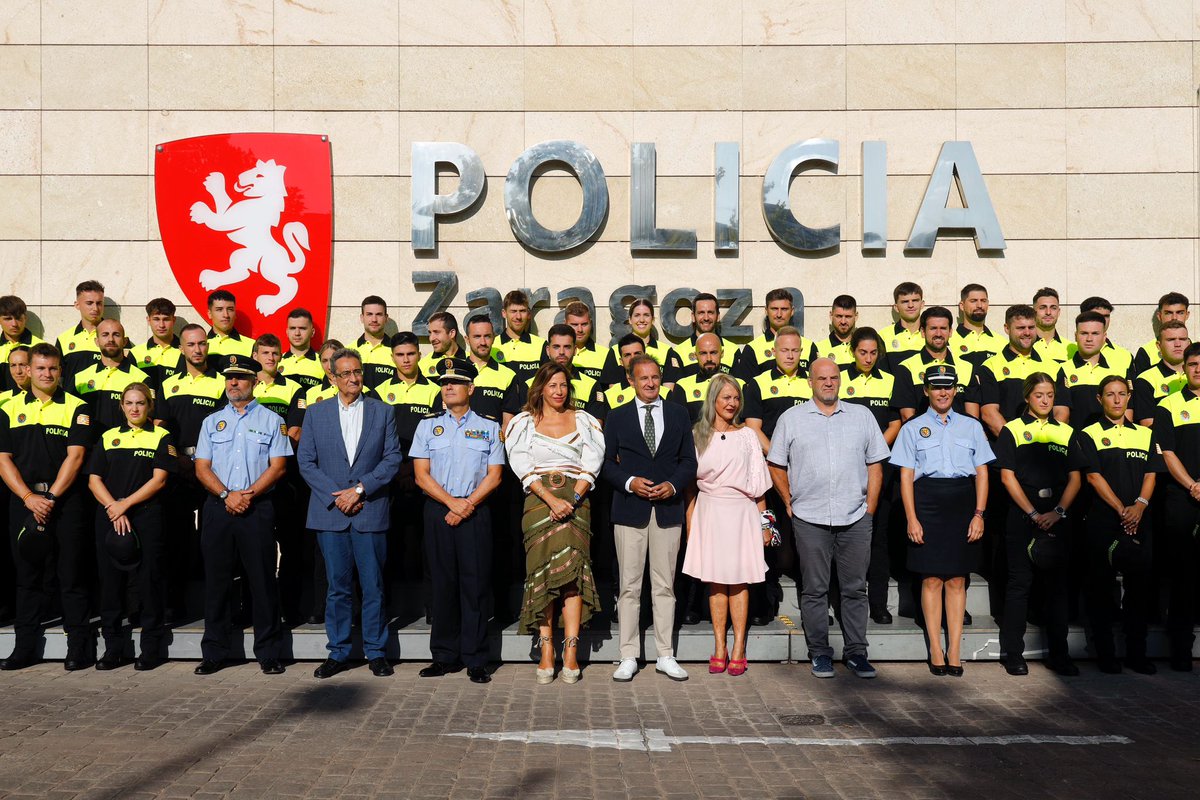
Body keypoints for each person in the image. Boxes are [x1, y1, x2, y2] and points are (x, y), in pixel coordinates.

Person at [767, 358, 889, 680]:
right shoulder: (791, 419)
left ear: (840, 380)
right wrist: (789, 502)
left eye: (833, 377)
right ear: (810, 382)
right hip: (809, 518)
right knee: (814, 590)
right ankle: (820, 652)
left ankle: (857, 653)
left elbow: (876, 464)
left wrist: (870, 509)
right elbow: (776, 464)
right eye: (821, 378)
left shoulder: (862, 416)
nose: (828, 383)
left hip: (855, 517)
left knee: (855, 589)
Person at [297, 348, 402, 679]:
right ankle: (338, 652)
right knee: (337, 587)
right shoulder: (316, 413)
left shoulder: (382, 412)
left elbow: (392, 458)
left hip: (369, 510)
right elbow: (306, 461)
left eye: (357, 372)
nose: (353, 378)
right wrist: (338, 496)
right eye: (345, 373)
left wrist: (359, 490)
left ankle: (376, 651)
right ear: (333, 377)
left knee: (373, 586)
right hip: (330, 513)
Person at [890, 365, 993, 676]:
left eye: (948, 386)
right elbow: (906, 477)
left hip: (962, 504)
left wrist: (979, 514)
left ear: (956, 390)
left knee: (958, 579)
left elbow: (982, 473)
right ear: (926, 391)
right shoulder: (912, 428)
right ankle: (936, 648)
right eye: (936, 387)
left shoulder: (972, 426)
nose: (943, 392)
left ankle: (955, 650)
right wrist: (911, 518)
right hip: (927, 503)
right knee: (932, 579)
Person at [505, 362, 604, 684]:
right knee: (543, 575)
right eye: (552, 386)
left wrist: (571, 499)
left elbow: (592, 461)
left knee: (573, 577)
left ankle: (571, 651)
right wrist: (551, 499)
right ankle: (547, 650)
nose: (559, 391)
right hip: (539, 502)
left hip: (577, 500)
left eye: (563, 385)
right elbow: (520, 463)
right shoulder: (523, 422)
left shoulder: (584, 420)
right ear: (540, 389)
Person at [192, 354, 290, 676]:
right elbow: (202, 467)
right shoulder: (211, 422)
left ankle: (269, 652)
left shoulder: (272, 421)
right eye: (229, 377)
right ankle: (214, 652)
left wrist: (247, 494)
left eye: (241, 377)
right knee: (217, 582)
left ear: (255, 381)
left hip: (256, 507)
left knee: (262, 581)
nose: (233, 383)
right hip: (218, 507)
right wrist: (226, 495)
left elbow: (278, 467)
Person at [603, 354, 697, 682]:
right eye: (643, 378)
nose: (650, 383)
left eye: (655, 377)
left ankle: (665, 655)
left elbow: (689, 461)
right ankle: (628, 655)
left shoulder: (678, 413)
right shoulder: (616, 417)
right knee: (629, 587)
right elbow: (606, 463)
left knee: (665, 586)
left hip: (668, 511)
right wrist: (630, 482)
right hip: (630, 510)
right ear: (631, 380)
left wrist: (673, 485)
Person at [411, 357, 505, 684]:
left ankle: (476, 658)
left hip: (475, 511)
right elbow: (421, 475)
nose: (448, 387)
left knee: (475, 585)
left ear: (471, 388)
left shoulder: (489, 426)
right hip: (439, 510)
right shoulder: (427, 426)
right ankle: (443, 656)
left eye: (455, 382)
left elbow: (495, 476)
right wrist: (452, 503)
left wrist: (466, 504)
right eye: (444, 383)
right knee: (442, 585)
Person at [0, 343, 92, 670]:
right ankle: (24, 648)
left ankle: (78, 647)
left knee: (71, 575)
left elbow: (75, 457)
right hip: (24, 502)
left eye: (53, 368)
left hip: (66, 503)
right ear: (28, 370)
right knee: (27, 577)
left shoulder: (77, 407)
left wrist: (50, 497)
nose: (46, 374)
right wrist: (29, 498)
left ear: (60, 371)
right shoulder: (8, 408)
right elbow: (3, 460)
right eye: (40, 368)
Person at [683, 373, 771, 676]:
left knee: (739, 581)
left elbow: (759, 485)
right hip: (709, 512)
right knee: (715, 582)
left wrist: (766, 525)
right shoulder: (697, 434)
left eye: (736, 398)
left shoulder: (747, 435)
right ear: (713, 400)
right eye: (726, 397)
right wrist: (691, 523)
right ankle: (719, 646)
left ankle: (738, 648)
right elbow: (690, 487)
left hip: (742, 513)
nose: (732, 403)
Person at [994, 373, 1081, 677]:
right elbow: (1007, 477)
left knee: (1057, 588)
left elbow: (1075, 478)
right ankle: (1013, 654)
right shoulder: (1012, 430)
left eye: (1050, 395)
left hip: (1057, 516)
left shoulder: (1066, 432)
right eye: (1039, 395)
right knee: (1019, 585)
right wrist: (1032, 513)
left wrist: (1058, 512)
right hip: (1022, 516)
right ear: (1027, 397)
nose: (1045, 401)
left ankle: (1059, 655)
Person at [86, 383, 176, 670]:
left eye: (140, 403)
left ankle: (150, 648)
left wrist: (125, 505)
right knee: (110, 584)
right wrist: (113, 507)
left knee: (149, 582)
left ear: (149, 406)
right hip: (110, 516)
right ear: (122, 406)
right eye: (129, 403)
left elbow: (159, 480)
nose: (135, 408)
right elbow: (94, 480)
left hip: (145, 516)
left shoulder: (161, 436)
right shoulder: (108, 437)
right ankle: (112, 649)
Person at [1075, 375, 1159, 675]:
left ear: (1128, 397)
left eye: (1122, 394)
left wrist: (1140, 506)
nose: (1116, 399)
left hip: (1140, 520)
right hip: (1104, 521)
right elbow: (1093, 476)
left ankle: (1137, 654)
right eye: (1110, 394)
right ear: (1100, 399)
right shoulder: (1088, 434)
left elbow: (1151, 473)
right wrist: (1122, 510)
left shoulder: (1146, 435)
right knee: (1101, 589)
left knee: (1139, 590)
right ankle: (1106, 654)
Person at [158, 324, 226, 620]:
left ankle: (215, 607)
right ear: (181, 348)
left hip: (212, 469)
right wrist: (179, 461)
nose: (197, 350)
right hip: (179, 471)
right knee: (177, 538)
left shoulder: (222, 383)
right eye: (191, 344)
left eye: (202, 344)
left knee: (213, 539)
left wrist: (201, 461)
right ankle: (176, 606)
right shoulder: (168, 384)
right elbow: (161, 430)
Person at [376, 332, 440, 620]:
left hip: (424, 477)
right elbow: (377, 437)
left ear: (419, 355)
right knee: (390, 543)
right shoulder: (379, 391)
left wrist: (414, 469)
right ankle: (388, 606)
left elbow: (436, 437)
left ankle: (431, 606)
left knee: (428, 546)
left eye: (411, 354)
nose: (405, 359)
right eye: (400, 355)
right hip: (391, 478)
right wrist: (397, 469)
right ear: (392, 358)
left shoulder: (434, 391)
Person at [838, 328, 901, 624]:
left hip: (878, 468)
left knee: (878, 537)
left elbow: (895, 423)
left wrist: (873, 451)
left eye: (873, 353)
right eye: (863, 352)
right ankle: (841, 601)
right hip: (845, 468)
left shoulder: (889, 380)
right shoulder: (839, 378)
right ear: (852, 351)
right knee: (842, 537)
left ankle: (878, 604)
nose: (868, 358)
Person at [1152, 341, 1200, 671]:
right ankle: (1181, 649)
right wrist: (1193, 486)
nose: (1198, 370)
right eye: (1193, 364)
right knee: (1183, 574)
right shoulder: (1168, 404)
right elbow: (1167, 453)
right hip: (1182, 498)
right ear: (1184, 368)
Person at [978, 305, 1069, 438]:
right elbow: (989, 414)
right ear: (1007, 328)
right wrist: (1016, 442)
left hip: (1046, 444)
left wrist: (1047, 440)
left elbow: (1062, 412)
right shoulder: (990, 366)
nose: (1027, 333)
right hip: (1008, 446)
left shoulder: (1054, 367)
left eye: (1031, 327)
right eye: (1021, 328)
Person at [892, 306, 980, 422]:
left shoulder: (967, 367)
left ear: (950, 332)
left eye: (943, 328)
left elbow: (973, 419)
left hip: (960, 433)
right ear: (923, 332)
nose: (938, 333)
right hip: (923, 432)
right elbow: (907, 417)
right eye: (933, 328)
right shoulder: (907, 367)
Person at [72, 319, 154, 434]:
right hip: (89, 444)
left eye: (116, 335)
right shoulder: (80, 378)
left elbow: (148, 418)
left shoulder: (141, 379)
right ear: (96, 341)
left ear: (125, 341)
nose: (111, 339)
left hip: (125, 443)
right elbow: (71, 416)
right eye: (105, 335)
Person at [1058, 311, 1134, 428]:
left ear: (1104, 337)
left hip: (1113, 438)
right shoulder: (1064, 369)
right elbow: (1061, 415)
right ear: (1075, 336)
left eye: (1095, 333)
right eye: (1084, 333)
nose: (1089, 339)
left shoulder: (1120, 370)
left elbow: (1127, 414)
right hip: (1077, 438)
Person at [733, 288, 817, 380]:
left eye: (784, 309)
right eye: (774, 309)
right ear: (766, 310)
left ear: (792, 311)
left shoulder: (809, 347)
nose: (779, 314)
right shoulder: (752, 349)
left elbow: (817, 382)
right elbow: (747, 386)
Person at [599, 297, 683, 390]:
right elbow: (613, 392)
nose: (642, 320)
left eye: (646, 315)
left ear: (652, 319)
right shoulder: (615, 351)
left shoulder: (666, 351)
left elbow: (668, 392)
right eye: (637, 315)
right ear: (630, 319)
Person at [461, 314, 522, 427]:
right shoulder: (457, 372)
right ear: (467, 339)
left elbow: (508, 424)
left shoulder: (508, 376)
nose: (483, 342)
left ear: (494, 338)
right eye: (477, 336)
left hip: (494, 439)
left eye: (487, 336)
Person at [669, 332, 742, 423]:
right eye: (703, 353)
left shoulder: (739, 385)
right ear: (695, 356)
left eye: (713, 352)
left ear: (722, 354)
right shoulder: (683, 386)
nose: (709, 358)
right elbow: (679, 424)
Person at [1132, 320, 1189, 425]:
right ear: (1159, 345)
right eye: (1171, 340)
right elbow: (1147, 424)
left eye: (1182, 339)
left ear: (1189, 343)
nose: (1178, 344)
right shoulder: (1145, 380)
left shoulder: (1196, 376)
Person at [672, 293, 737, 378]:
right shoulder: (679, 352)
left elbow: (739, 384)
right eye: (701, 313)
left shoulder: (733, 350)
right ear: (693, 316)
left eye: (710, 312)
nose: (706, 318)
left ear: (718, 316)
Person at [56, 280, 106, 390]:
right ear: (77, 305)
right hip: (72, 399)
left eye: (99, 303)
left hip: (103, 399)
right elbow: (57, 378)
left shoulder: (115, 337)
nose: (95, 308)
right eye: (89, 303)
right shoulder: (64, 339)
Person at [493, 290, 547, 384]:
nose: (518, 316)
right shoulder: (492, 345)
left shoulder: (541, 345)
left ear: (528, 314)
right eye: (513, 311)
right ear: (504, 313)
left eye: (522, 311)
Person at [130, 298, 181, 395]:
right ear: (148, 320)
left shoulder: (185, 352)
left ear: (173, 320)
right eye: (156, 319)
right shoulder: (136, 353)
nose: (161, 325)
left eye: (166, 319)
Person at [948, 283, 1006, 366]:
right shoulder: (949, 341)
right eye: (973, 301)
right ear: (962, 306)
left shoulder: (1002, 343)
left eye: (983, 301)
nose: (979, 305)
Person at [1133, 292, 1190, 375]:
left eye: (1180, 312)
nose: (1174, 318)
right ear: (1159, 316)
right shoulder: (1146, 352)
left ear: (1187, 315)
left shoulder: (1197, 348)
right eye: (1168, 313)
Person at [0, 295, 41, 392]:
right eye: (8, 319)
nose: (14, 324)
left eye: (18, 318)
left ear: (25, 318)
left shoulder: (40, 347)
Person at [881, 282, 925, 372]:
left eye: (915, 300)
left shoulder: (933, 334)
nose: (910, 305)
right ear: (896, 307)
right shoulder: (884, 336)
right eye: (905, 302)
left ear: (922, 304)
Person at [278, 308, 324, 393]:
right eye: (292, 328)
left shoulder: (322, 363)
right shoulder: (277, 362)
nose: (297, 333)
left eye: (302, 328)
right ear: (287, 332)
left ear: (312, 332)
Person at [354, 295, 396, 389]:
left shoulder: (397, 351)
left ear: (386, 318)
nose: (374, 319)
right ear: (362, 318)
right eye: (369, 314)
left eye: (379, 314)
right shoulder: (349, 350)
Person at [563, 301, 607, 383]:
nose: (580, 330)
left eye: (584, 324)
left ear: (591, 323)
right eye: (574, 325)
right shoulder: (557, 353)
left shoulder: (605, 354)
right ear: (565, 324)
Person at [204, 290, 253, 359]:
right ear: (209, 314)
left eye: (230, 309)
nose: (226, 315)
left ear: (235, 313)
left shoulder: (251, 345)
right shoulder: (198, 346)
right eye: (219, 309)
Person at [815, 294, 858, 366]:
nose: (843, 322)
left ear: (856, 316)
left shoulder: (863, 349)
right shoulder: (818, 348)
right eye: (839, 316)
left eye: (848, 317)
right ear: (831, 315)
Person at [418, 310, 464, 377]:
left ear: (452, 333)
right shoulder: (422, 365)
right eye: (430, 333)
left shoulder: (471, 361)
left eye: (436, 332)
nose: (431, 338)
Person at [1031, 287, 1069, 363]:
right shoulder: (1022, 346)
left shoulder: (1070, 347)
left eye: (1053, 308)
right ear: (1033, 312)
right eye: (1042, 308)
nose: (1048, 312)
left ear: (1058, 312)